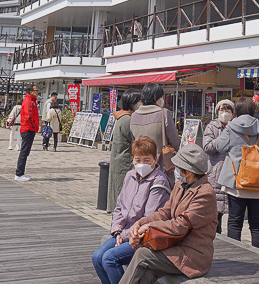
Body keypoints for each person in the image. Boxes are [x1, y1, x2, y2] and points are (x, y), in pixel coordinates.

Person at [120, 144, 217, 284]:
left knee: (142, 255)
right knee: (146, 270)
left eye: (179, 167)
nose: (175, 169)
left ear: (189, 171)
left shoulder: (205, 193)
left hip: (193, 254)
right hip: (174, 246)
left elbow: (180, 225)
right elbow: (165, 212)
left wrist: (147, 228)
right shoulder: (180, 185)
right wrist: (140, 223)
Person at [93, 136, 171, 284]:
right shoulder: (130, 176)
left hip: (144, 238)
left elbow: (148, 219)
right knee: (97, 257)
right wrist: (117, 231)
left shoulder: (159, 181)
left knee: (109, 259)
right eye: (137, 159)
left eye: (147, 160)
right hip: (124, 233)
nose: (141, 164)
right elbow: (119, 206)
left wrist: (124, 236)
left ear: (155, 159)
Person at [214, 97, 259, 249]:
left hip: (236, 181)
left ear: (236, 111)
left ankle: (236, 254)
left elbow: (219, 146)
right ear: (253, 111)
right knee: (257, 224)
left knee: (234, 221)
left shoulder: (231, 127)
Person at [202, 99, 235, 233]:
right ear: (216, 112)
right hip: (216, 172)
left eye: (228, 110)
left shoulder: (236, 126)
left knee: (233, 214)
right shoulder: (212, 126)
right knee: (216, 213)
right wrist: (222, 140)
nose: (225, 112)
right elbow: (207, 147)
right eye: (222, 110)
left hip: (233, 172)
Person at [108, 90, 143, 213]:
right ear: (133, 103)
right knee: (123, 191)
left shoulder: (121, 117)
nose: (141, 103)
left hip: (118, 160)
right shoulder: (127, 119)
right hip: (124, 162)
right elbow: (135, 139)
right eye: (139, 101)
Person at [129, 83, 179, 169]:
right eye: (161, 97)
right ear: (156, 98)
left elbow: (133, 140)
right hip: (160, 164)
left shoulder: (134, 115)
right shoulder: (164, 113)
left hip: (140, 163)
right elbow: (174, 141)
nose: (162, 99)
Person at [15, 84, 39, 181]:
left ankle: (20, 173)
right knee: (24, 152)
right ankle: (19, 173)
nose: (37, 92)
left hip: (28, 128)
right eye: (36, 90)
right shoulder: (29, 101)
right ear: (31, 92)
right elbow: (28, 116)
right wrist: (33, 127)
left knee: (25, 152)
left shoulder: (31, 101)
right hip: (28, 129)